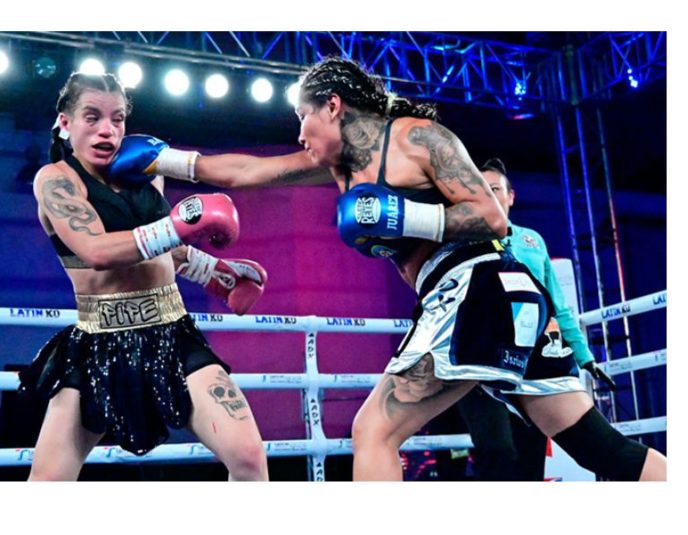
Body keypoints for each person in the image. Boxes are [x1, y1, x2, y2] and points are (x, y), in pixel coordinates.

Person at [109, 56, 666, 481]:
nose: (299, 133)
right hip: (493, 298)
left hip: (474, 285)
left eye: (303, 117)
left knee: (372, 430)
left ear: (333, 106)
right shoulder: (337, 167)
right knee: (601, 450)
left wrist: (404, 215)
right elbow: (246, 173)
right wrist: (167, 159)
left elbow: (493, 217)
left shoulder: (416, 138)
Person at [18, 72, 269, 481]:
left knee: (249, 457)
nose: (107, 129)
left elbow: (158, 246)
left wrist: (214, 271)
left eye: (117, 119)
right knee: (47, 483)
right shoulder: (56, 180)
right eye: (92, 117)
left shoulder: (146, 172)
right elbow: (97, 250)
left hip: (171, 331)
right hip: (99, 342)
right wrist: (182, 224)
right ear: (65, 123)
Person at [451, 157, 617, 481]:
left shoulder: (532, 241)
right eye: (480, 190)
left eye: (495, 189)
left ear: (511, 196)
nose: (488, 195)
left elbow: (558, 305)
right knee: (497, 451)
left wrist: (583, 355)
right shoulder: (460, 241)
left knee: (529, 458)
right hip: (480, 365)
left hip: (531, 364)